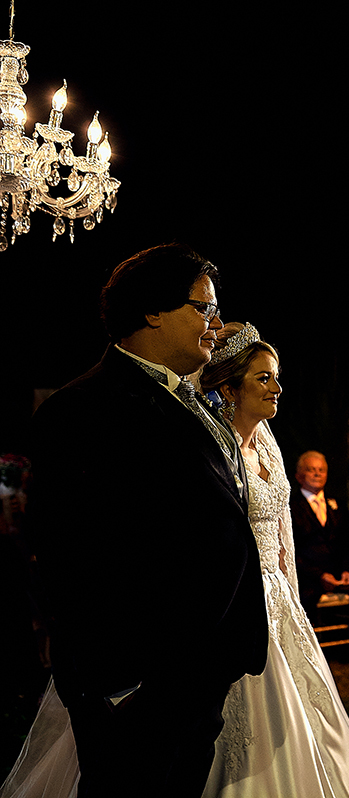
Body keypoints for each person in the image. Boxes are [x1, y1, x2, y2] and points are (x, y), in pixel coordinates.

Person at [10, 244, 269, 798]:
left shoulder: (187, 400)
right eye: (203, 308)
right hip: (140, 687)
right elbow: (69, 551)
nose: (217, 324)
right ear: (153, 311)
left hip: (196, 678)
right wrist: (127, 683)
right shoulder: (85, 409)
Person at [196, 323, 349, 797]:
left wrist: (290, 592)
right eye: (263, 378)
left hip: (278, 599)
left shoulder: (268, 445)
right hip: (236, 598)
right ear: (228, 388)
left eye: (276, 377)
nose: (277, 388)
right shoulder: (211, 446)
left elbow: (282, 532)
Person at [290, 450, 349, 623]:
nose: (317, 474)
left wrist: (348, 571)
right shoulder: (290, 506)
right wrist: (320, 575)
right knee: (302, 602)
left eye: (321, 470)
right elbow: (291, 551)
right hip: (308, 578)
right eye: (311, 469)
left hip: (340, 575)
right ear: (299, 476)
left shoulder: (338, 504)